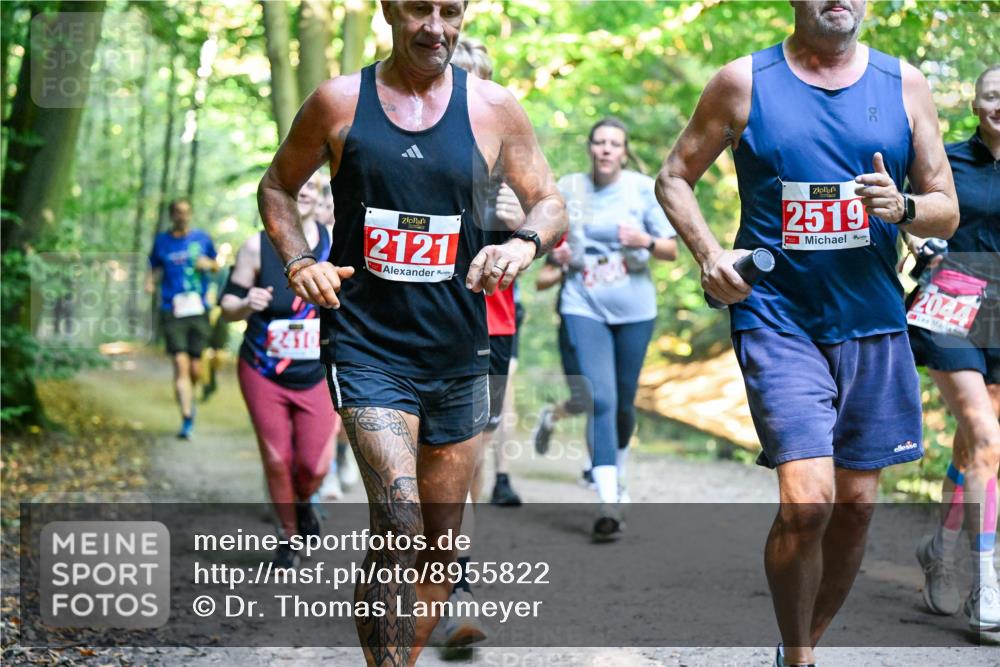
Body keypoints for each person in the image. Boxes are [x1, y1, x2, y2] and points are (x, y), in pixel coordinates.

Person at [256, 2, 566, 664]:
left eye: (448, 11)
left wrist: (523, 246)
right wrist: (299, 261)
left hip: (459, 350)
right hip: (368, 346)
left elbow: (550, 199)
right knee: (396, 518)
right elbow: (277, 188)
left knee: (441, 542)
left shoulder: (493, 108)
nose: (434, 26)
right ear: (389, 12)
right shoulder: (339, 103)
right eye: (418, 9)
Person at [655, 2, 958, 665]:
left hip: (873, 321)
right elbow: (674, 178)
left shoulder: (903, 84)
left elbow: (946, 208)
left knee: (855, 507)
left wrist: (904, 206)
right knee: (810, 502)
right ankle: (799, 655)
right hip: (777, 316)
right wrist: (710, 254)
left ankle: (798, 647)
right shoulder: (743, 82)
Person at [910, 64, 1000, 632]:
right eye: (993, 94)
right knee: (988, 437)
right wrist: (921, 244)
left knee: (976, 448)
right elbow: (908, 210)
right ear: (975, 104)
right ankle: (985, 583)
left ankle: (939, 551)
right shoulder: (950, 159)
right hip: (954, 300)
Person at [557, 117, 677, 540]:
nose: (607, 149)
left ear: (624, 152)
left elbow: (670, 249)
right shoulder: (568, 187)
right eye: (600, 142)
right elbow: (548, 238)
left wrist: (641, 240)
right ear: (590, 147)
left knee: (624, 403)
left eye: (615, 144)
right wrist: (558, 253)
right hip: (582, 303)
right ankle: (607, 501)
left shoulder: (642, 189)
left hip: (634, 310)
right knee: (601, 398)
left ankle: (618, 469)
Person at [222, 175, 338, 567]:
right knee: (276, 458)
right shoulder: (257, 246)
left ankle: (305, 501)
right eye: (295, 186)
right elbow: (227, 306)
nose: (303, 192)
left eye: (311, 189)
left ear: (320, 198)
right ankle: (289, 538)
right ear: (282, 196)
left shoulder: (335, 243)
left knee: (315, 464)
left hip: (319, 371)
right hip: (262, 368)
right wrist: (245, 304)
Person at [449, 37, 524, 508]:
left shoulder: (512, 155)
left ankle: (459, 547)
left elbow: (555, 227)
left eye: (478, 77)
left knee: (475, 445)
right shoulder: (405, 147)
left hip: (492, 320)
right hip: (427, 315)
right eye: (459, 75)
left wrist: (523, 229)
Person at [147, 199, 219, 439]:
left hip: (198, 309)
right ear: (171, 215)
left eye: (186, 212)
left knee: (196, 368)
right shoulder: (162, 242)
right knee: (180, 364)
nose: (182, 216)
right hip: (172, 308)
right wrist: (149, 282)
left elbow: (217, 265)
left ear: (191, 214)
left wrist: (207, 263)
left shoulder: (202, 239)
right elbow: (153, 267)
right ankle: (187, 417)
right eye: (178, 212)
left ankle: (193, 394)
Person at [533, 237, 595, 488]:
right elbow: (540, 281)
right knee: (585, 398)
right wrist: (567, 266)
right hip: (574, 323)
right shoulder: (571, 238)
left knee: (602, 397)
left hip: (614, 322)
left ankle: (594, 466)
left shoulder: (624, 227)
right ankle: (551, 416)